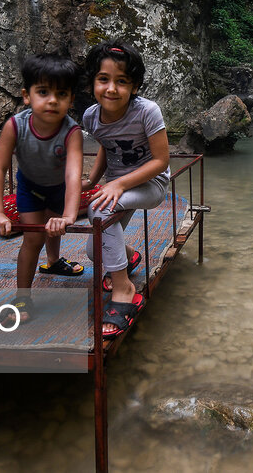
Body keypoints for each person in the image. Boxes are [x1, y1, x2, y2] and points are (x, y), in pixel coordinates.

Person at [81, 41, 170, 339]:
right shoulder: (91, 117)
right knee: (96, 251)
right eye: (103, 79)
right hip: (116, 186)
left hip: (149, 184)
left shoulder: (147, 111)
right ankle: (129, 258)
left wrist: (118, 184)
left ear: (134, 87)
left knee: (99, 209)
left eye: (122, 82)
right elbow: (107, 149)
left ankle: (124, 290)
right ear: (93, 81)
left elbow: (161, 161)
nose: (111, 88)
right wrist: (94, 181)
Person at [0, 54, 84, 323]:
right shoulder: (15, 126)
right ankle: (22, 296)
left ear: (71, 100)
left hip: (58, 187)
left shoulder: (72, 131)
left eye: (61, 93)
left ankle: (54, 262)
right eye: (43, 92)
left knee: (55, 227)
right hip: (29, 187)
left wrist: (68, 214)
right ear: (27, 96)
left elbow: (73, 173)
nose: (52, 100)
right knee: (33, 239)